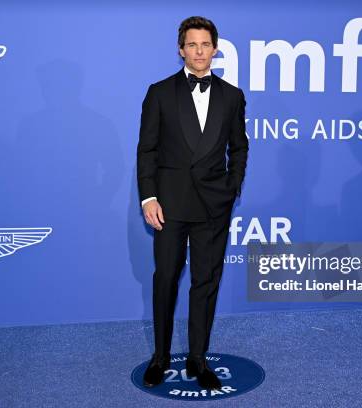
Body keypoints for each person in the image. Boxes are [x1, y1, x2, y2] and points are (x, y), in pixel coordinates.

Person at [137, 16, 248, 390]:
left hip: (213, 207)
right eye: (192, 45)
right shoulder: (159, 92)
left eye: (205, 45)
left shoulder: (232, 96)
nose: (199, 52)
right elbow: (146, 150)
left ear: (215, 48)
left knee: (206, 283)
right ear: (181, 49)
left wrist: (231, 188)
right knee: (165, 279)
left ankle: (198, 358)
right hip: (168, 205)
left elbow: (239, 147)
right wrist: (148, 197)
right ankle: (161, 357)